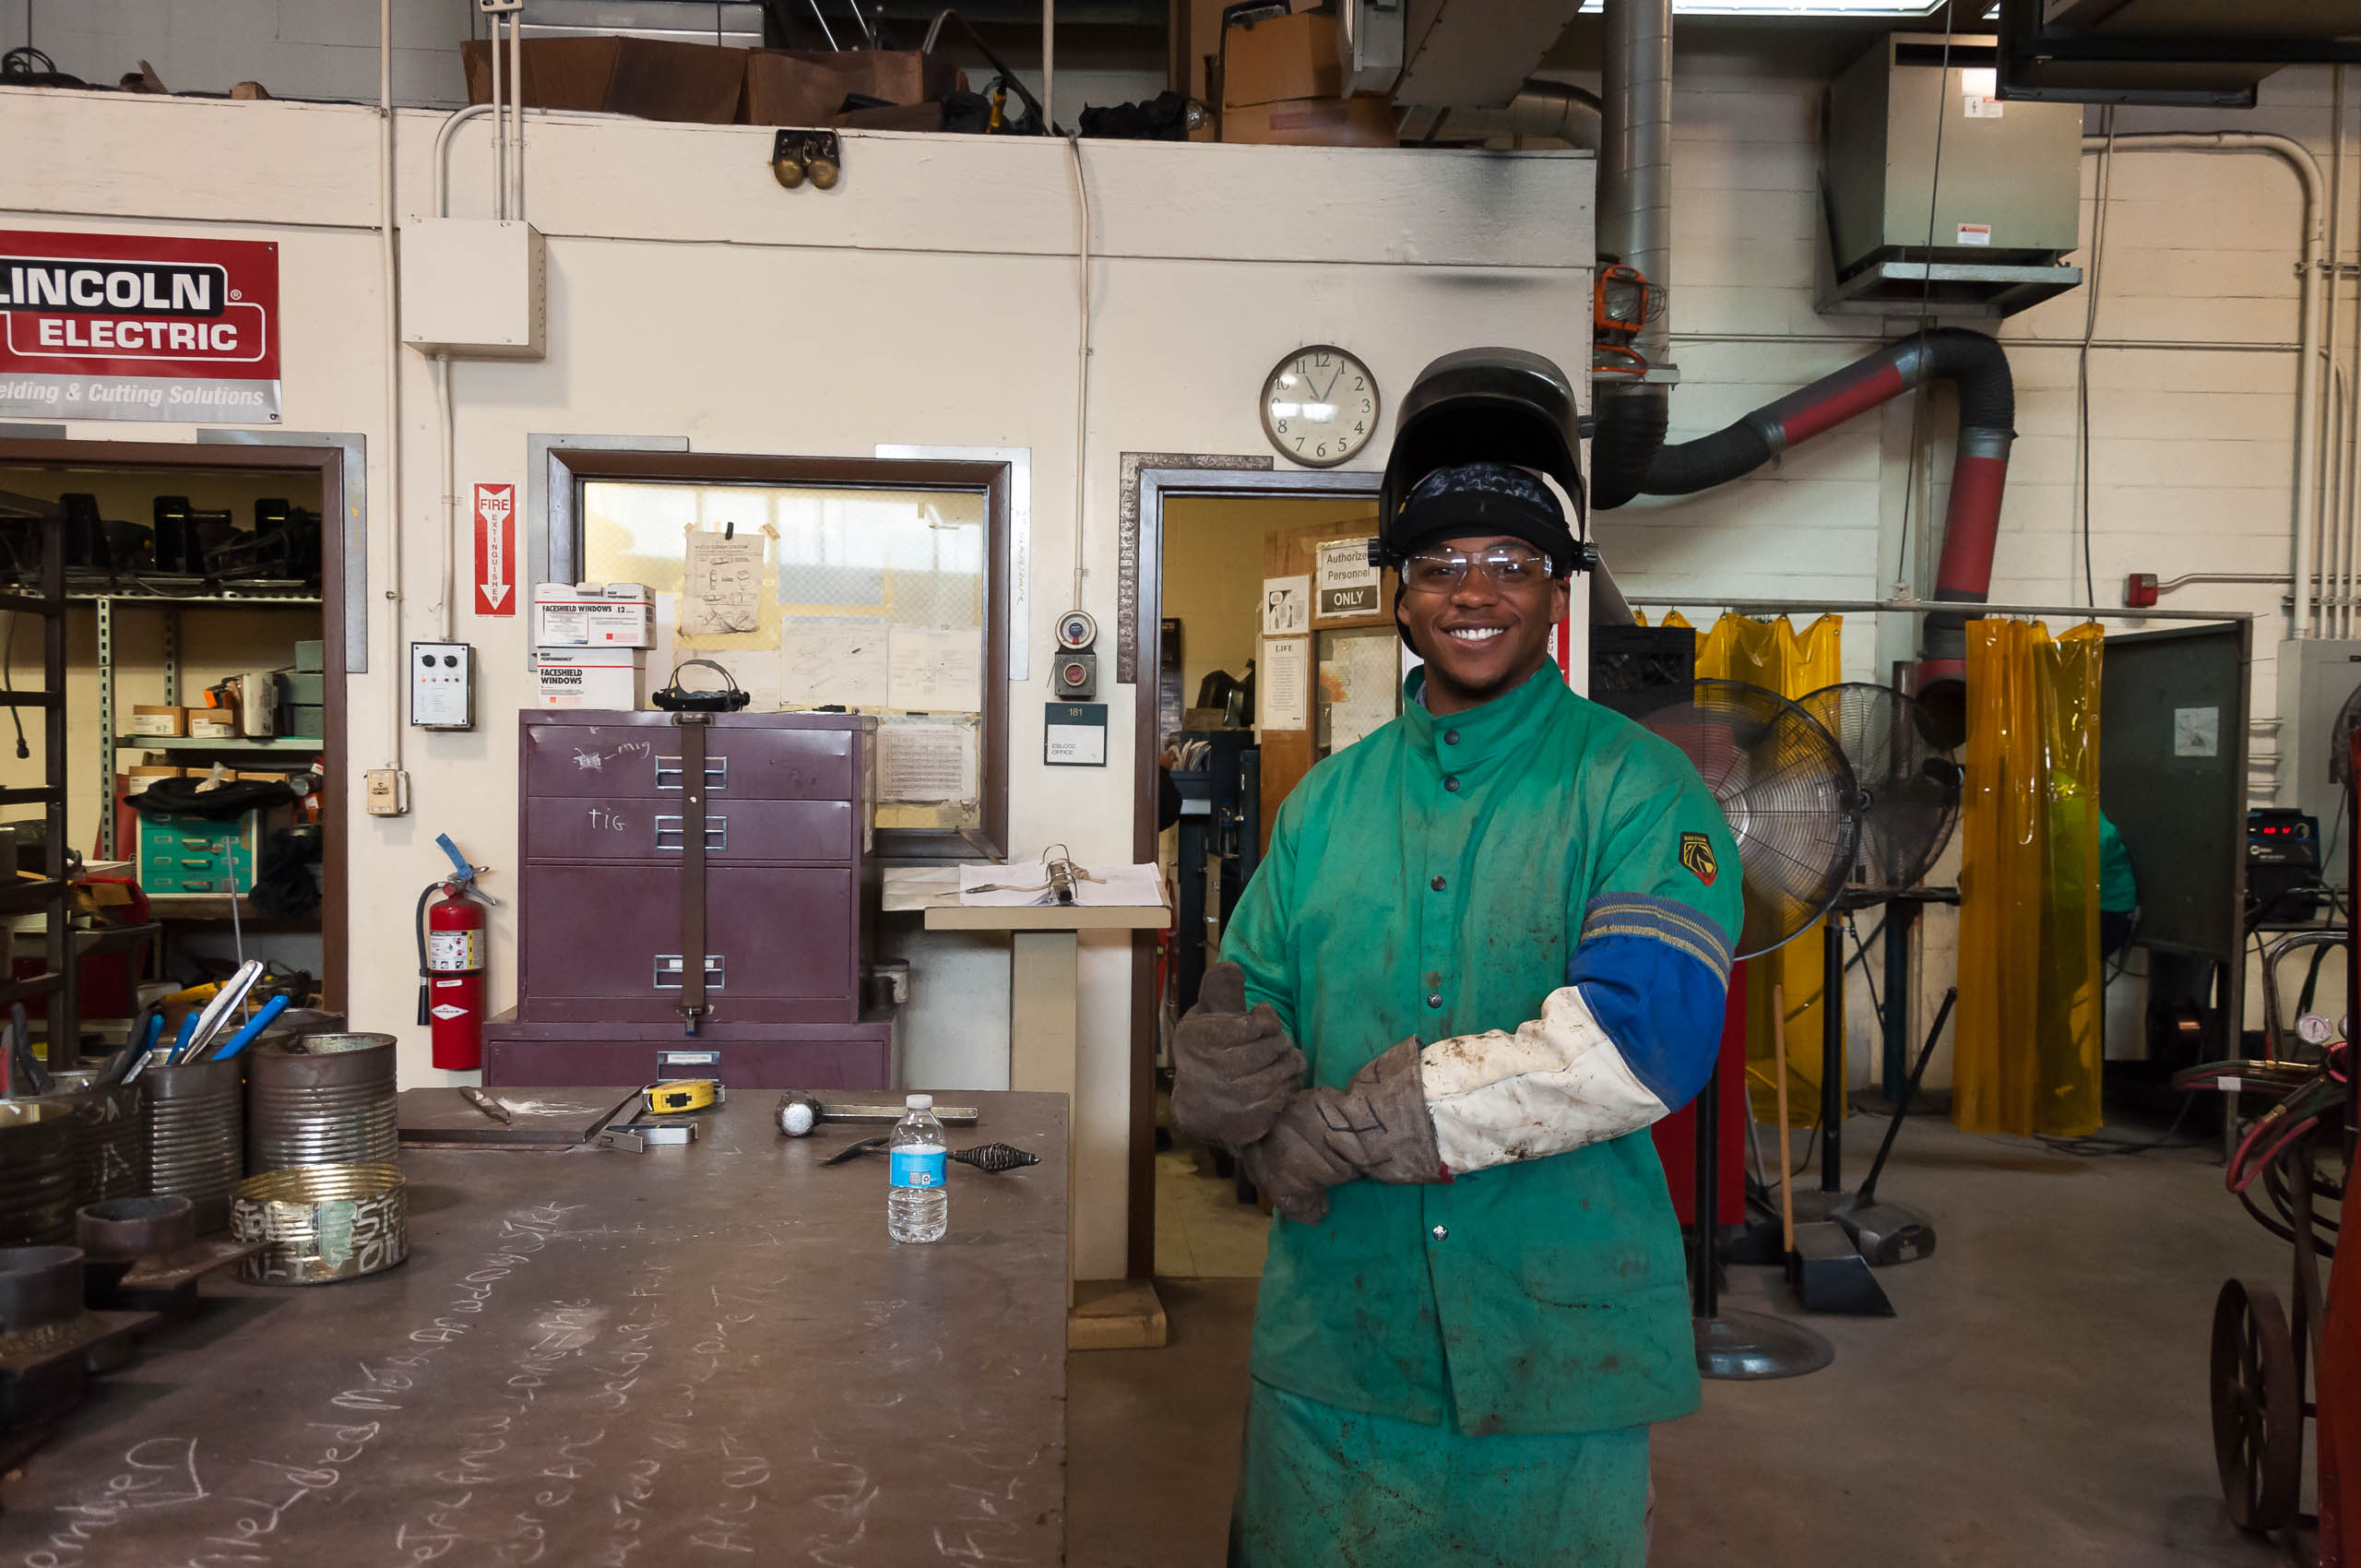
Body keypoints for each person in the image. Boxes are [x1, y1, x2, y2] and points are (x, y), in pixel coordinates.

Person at [1171, 459, 1743, 1567]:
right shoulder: (1327, 801)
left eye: (1508, 563)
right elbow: (1255, 990)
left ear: (1556, 590)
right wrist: (1222, 1072)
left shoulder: (1639, 786)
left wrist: (1383, 1121)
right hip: (1338, 1334)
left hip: (1554, 1337)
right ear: (1399, 594)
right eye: (1437, 565)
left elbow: (1645, 1037)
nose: (1471, 592)